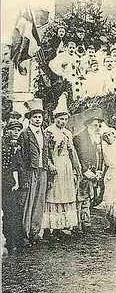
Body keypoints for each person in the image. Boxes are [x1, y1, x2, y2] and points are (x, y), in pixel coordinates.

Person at [41, 93, 81, 240]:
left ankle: (59, 227)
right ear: (55, 118)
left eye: (65, 119)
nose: (63, 122)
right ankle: (47, 229)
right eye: (60, 119)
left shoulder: (68, 133)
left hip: (66, 166)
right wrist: (50, 165)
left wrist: (77, 167)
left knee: (64, 194)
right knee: (52, 194)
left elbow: (72, 151)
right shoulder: (49, 131)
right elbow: (45, 152)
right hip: (55, 165)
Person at [17, 98, 52, 246]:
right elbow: (22, 157)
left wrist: (49, 172)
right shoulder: (25, 134)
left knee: (39, 202)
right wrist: (23, 177)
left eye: (40, 117)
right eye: (35, 117)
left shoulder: (44, 134)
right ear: (30, 119)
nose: (38, 119)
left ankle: (35, 232)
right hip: (30, 171)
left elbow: (47, 154)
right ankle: (24, 234)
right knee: (28, 202)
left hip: (42, 170)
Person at [73, 110, 105, 235]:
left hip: (92, 172)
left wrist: (98, 170)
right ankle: (77, 223)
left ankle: (85, 222)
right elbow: (78, 157)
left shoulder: (97, 138)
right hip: (82, 172)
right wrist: (86, 171)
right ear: (88, 125)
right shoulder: (79, 137)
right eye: (95, 125)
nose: (97, 128)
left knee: (87, 197)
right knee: (79, 198)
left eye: (99, 125)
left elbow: (99, 155)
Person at [2, 119, 25, 253]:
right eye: (13, 130)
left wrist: (16, 181)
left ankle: (12, 240)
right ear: (7, 130)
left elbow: (16, 165)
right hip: (3, 180)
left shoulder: (16, 145)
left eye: (18, 130)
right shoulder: (3, 143)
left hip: (10, 181)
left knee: (12, 211)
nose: (16, 132)